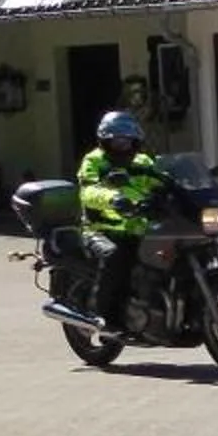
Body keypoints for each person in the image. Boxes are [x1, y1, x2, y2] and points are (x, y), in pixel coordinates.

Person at [76, 109, 173, 332]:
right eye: (118, 141)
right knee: (115, 257)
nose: (123, 146)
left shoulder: (143, 161)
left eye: (128, 141)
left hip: (140, 228)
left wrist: (175, 192)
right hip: (101, 229)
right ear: (105, 141)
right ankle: (104, 317)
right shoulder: (94, 161)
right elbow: (89, 191)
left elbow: (160, 182)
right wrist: (113, 199)